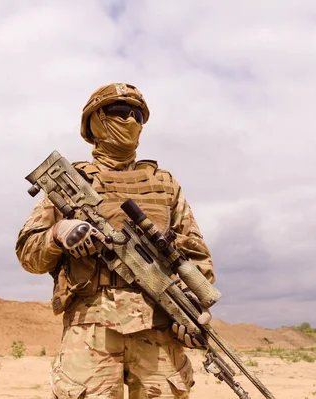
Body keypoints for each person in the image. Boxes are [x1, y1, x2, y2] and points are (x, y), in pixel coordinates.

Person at [15, 83, 217, 399]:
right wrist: (59, 233)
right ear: (95, 119)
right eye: (120, 112)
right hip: (91, 332)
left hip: (160, 330)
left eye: (138, 115)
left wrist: (194, 310)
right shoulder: (70, 184)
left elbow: (194, 254)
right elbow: (29, 255)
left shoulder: (164, 186)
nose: (131, 121)